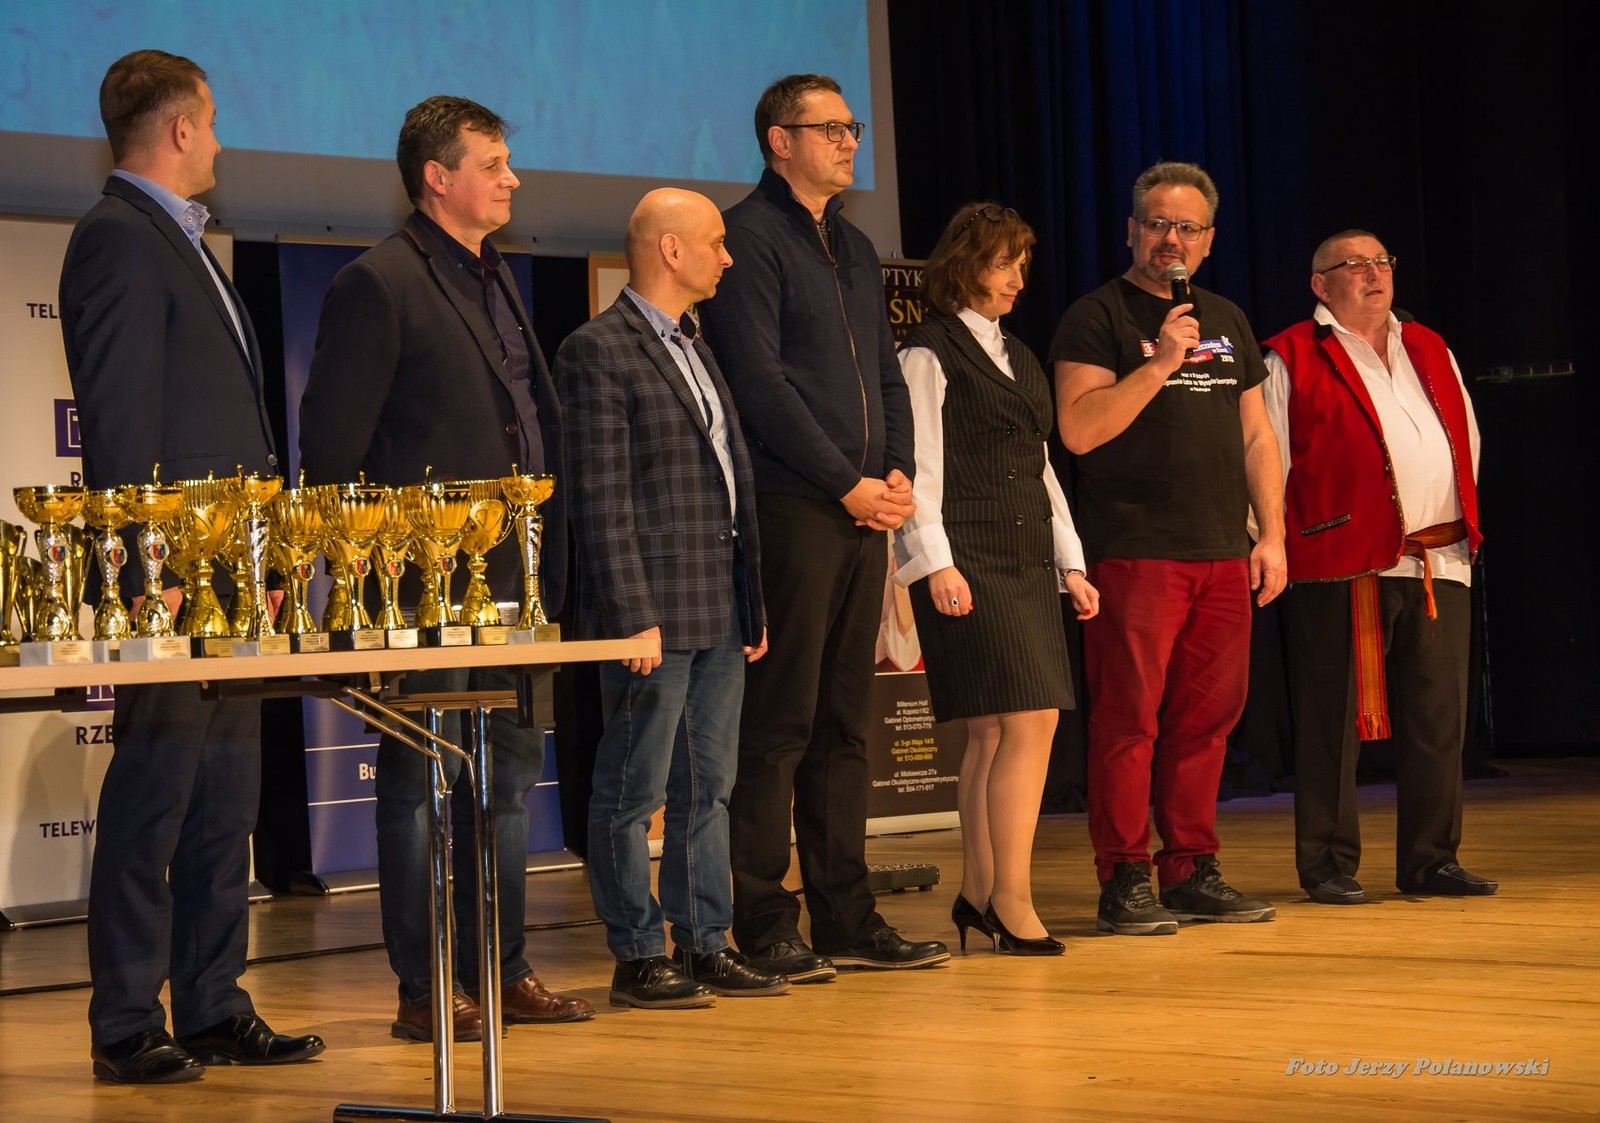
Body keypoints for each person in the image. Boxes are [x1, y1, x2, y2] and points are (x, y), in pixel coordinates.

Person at [298, 95, 590, 1040]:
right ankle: (426, 989)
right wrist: (360, 579)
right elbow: (331, 450)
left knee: (507, 782)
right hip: (422, 587)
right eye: (493, 163)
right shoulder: (378, 283)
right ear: (438, 176)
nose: (512, 179)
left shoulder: (498, 275)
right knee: (421, 784)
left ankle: (500, 970)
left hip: (518, 579)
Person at [59, 48, 323, 1083]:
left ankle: (212, 1001)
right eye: (209, 121)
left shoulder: (183, 239)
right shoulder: (118, 237)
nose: (218, 139)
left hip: (234, 573)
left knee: (225, 799)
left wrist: (260, 557)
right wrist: (146, 572)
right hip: (174, 580)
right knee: (155, 794)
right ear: (178, 129)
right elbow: (120, 423)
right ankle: (127, 1018)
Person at [698, 73, 948, 977]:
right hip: (795, 507)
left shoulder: (854, 242)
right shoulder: (748, 237)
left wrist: (896, 474)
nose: (848, 141)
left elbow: (887, 371)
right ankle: (765, 919)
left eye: (853, 127)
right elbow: (758, 383)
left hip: (865, 509)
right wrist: (845, 481)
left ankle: (848, 913)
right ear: (780, 140)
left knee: (846, 721)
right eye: (831, 128)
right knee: (780, 723)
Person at [555, 188, 784, 1009]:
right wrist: (630, 616)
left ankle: (704, 938)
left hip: (717, 602)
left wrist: (751, 601)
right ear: (671, 250)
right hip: (650, 610)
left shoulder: (698, 345)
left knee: (708, 785)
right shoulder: (596, 349)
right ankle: (637, 951)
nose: (729, 256)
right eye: (716, 243)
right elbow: (600, 497)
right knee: (633, 788)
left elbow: (729, 483)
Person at [1050, 161, 1286, 936]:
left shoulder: (1227, 317)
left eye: (1186, 227)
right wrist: (1159, 363)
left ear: (1209, 239)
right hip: (1136, 548)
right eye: (1157, 223)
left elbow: (1257, 435)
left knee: (1207, 721)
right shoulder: (1096, 316)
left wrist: (1272, 533)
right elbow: (1079, 429)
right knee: (1129, 721)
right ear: (1131, 230)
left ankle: (1190, 867)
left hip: (1221, 550)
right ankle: (1124, 874)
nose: (1170, 239)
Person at [1262, 230, 1494, 904]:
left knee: (1438, 718)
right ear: (1321, 284)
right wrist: (1269, 540)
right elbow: (1267, 459)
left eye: (1382, 262)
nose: (1374, 273)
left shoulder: (1429, 345)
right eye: (1355, 265)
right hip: (1339, 561)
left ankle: (1431, 859)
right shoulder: (1290, 355)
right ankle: (1327, 862)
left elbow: (1466, 438)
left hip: (1436, 559)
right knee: (1330, 718)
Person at [894, 203, 1100, 956]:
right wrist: (936, 562)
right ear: (965, 265)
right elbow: (917, 468)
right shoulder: (928, 351)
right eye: (1003, 263)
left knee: (993, 729)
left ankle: (979, 893)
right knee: (1028, 720)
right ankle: (1013, 899)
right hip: (968, 555)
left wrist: (1071, 562)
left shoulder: (1019, 354)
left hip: (1025, 555)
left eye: (1022, 264)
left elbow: (1038, 467)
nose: (1017, 278)